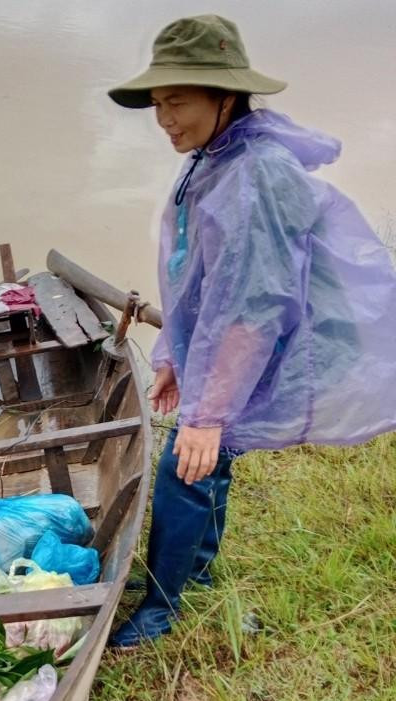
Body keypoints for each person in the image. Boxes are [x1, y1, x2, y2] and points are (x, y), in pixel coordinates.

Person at [105, 15, 396, 647]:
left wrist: (208, 412)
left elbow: (253, 306)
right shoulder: (214, 154)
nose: (164, 119)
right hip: (228, 336)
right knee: (208, 458)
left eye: (177, 101)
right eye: (157, 104)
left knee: (188, 463)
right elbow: (195, 276)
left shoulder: (256, 173)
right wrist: (174, 356)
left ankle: (163, 608)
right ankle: (197, 577)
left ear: (225, 97)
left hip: (268, 337)